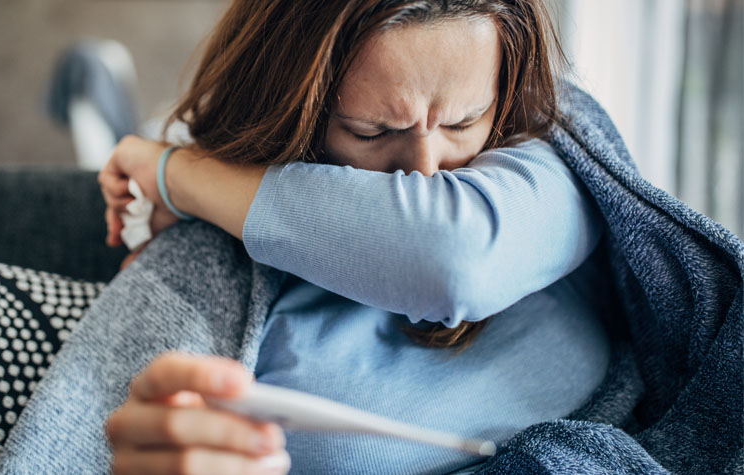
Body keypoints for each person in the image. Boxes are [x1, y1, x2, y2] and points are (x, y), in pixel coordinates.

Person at [99, 1, 610, 473]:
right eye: (371, 131)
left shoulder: (550, 166)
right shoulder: (222, 253)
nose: (426, 172)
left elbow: (452, 257)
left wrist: (175, 174)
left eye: (463, 121)